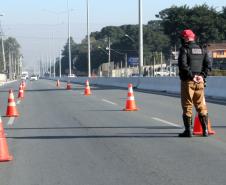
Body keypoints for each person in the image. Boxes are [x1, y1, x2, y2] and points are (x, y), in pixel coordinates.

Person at [178, 29, 211, 137]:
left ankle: (188, 131)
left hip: (188, 81)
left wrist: (192, 76)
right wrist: (202, 76)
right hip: (200, 82)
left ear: (186, 38)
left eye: (182, 38)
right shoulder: (203, 49)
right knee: (201, 105)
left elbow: (183, 65)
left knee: (187, 106)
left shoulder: (184, 49)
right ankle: (205, 130)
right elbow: (208, 65)